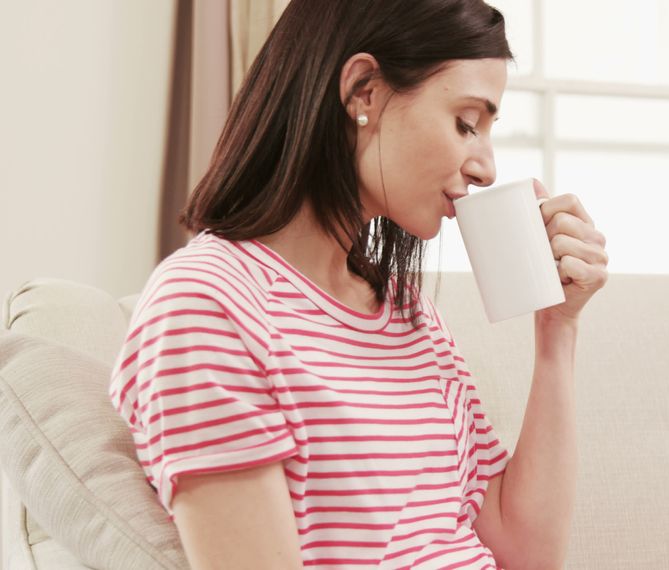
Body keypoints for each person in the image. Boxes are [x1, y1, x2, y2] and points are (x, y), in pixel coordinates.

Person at [107, 0, 607, 568]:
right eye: (467, 123)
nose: (485, 167)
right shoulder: (208, 305)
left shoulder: (406, 312)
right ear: (363, 90)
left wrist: (557, 328)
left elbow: (525, 555)